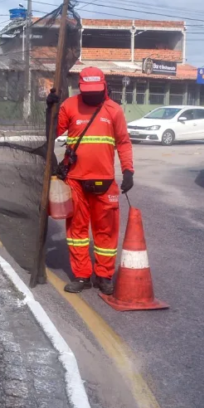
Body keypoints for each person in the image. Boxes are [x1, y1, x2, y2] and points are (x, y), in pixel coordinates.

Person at [48, 67, 134, 295]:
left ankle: (104, 276)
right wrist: (51, 110)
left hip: (105, 182)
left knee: (106, 232)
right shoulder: (69, 106)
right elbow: (51, 133)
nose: (92, 95)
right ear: (80, 87)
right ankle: (82, 276)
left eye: (96, 91)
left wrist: (128, 171)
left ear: (104, 86)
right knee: (77, 232)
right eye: (88, 91)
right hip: (75, 181)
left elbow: (123, 142)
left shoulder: (114, 110)